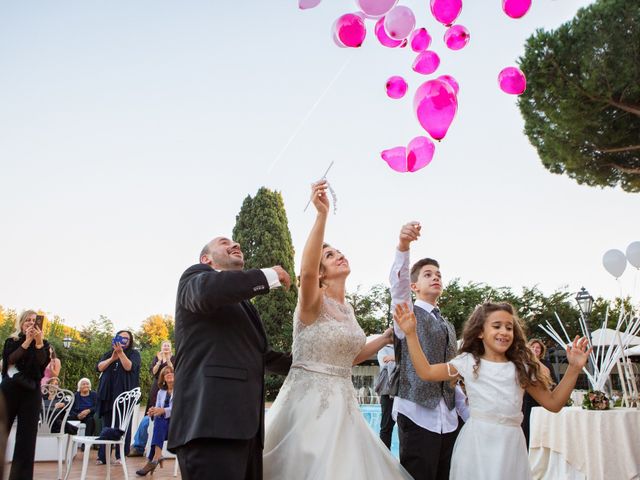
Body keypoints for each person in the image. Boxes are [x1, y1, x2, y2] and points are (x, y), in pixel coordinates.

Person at [263, 180, 412, 479]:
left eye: (339, 252)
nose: (339, 255)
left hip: (344, 407)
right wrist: (321, 215)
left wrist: (384, 337)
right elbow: (304, 272)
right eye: (330, 256)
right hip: (308, 406)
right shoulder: (311, 302)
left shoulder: (348, 311)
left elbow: (352, 357)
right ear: (321, 272)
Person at [395, 301, 591, 480]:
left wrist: (574, 369)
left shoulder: (521, 367)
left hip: (511, 446)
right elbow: (427, 372)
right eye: (496, 326)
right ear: (480, 332)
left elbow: (554, 403)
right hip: (477, 444)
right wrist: (412, 335)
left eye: (509, 327)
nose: (504, 332)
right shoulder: (468, 362)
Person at [168, 233, 293, 480]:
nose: (235, 244)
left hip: (248, 432)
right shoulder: (194, 278)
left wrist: (315, 361)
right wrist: (267, 275)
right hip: (209, 425)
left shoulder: (245, 306)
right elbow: (207, 293)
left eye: (235, 242)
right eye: (224, 243)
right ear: (206, 259)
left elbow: (264, 357)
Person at [389, 221, 465, 480]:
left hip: (449, 416)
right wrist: (403, 246)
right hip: (417, 413)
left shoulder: (447, 324)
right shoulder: (406, 313)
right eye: (428, 274)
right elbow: (397, 286)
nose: (435, 277)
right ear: (414, 286)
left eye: (439, 275)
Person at [1, 309, 50, 480]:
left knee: (27, 438)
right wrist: (27, 340)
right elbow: (9, 361)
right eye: (28, 320)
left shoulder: (44, 344)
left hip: (31, 392)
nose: (31, 323)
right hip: (9, 390)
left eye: (35, 320)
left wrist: (37, 342)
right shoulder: (11, 341)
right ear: (21, 323)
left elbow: (42, 365)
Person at [95, 330, 141, 465]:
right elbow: (100, 367)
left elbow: (129, 367)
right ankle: (102, 456)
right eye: (121, 337)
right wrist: (112, 358)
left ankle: (120, 455)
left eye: (126, 338)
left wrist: (120, 353)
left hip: (124, 397)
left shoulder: (134, 354)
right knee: (106, 425)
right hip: (107, 395)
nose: (123, 340)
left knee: (123, 426)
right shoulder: (109, 353)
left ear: (130, 340)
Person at [129, 340, 175, 457]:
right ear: (161, 347)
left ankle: (149, 452)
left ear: (171, 348)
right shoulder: (157, 358)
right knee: (149, 417)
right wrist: (159, 361)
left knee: (154, 419)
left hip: (170, 389)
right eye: (164, 345)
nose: (166, 347)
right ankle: (139, 447)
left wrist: (168, 359)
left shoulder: (174, 358)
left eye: (168, 345)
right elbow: (154, 372)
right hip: (158, 389)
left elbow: (173, 371)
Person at [136, 365, 174, 476]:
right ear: (163, 378)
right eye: (166, 373)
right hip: (163, 428)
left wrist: (163, 410)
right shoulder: (160, 393)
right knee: (159, 419)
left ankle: (153, 459)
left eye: (171, 372)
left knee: (160, 420)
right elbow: (157, 408)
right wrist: (152, 411)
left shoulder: (181, 390)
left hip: (176, 426)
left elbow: (180, 409)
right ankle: (156, 457)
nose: (169, 374)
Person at [521, 338, 557, 447]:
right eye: (533, 347)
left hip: (543, 399)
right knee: (527, 425)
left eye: (538, 348)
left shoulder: (546, 363)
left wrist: (535, 359)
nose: (535, 349)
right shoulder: (524, 362)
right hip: (528, 400)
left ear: (541, 351)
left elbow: (552, 380)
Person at [376, 342, 396, 449]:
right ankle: (384, 458)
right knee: (386, 427)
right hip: (388, 393)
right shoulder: (383, 349)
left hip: (404, 392)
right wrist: (400, 358)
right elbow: (387, 366)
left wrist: (393, 358)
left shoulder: (406, 346)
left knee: (406, 428)